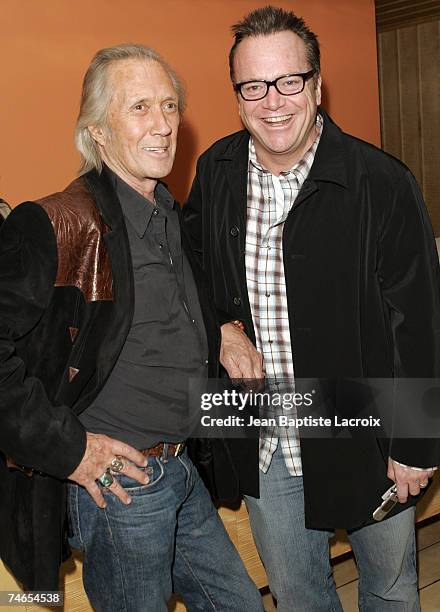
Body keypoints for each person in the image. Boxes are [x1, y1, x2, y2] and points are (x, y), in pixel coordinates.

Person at [183, 6, 440, 611]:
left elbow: (420, 324)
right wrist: (220, 327)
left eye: (289, 81)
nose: (272, 101)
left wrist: (416, 445)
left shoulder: (381, 182)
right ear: (238, 95)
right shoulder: (215, 171)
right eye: (253, 86)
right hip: (263, 429)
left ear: (317, 86)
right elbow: (184, 265)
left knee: (392, 589)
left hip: (366, 428)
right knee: (299, 597)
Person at [0, 44, 263, 612]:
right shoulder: (57, 224)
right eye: (139, 108)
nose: (164, 125)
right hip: (121, 488)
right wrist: (71, 451)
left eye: (170, 107)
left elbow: (165, 308)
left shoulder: (166, 210)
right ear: (97, 131)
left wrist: (219, 329)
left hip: (180, 467)